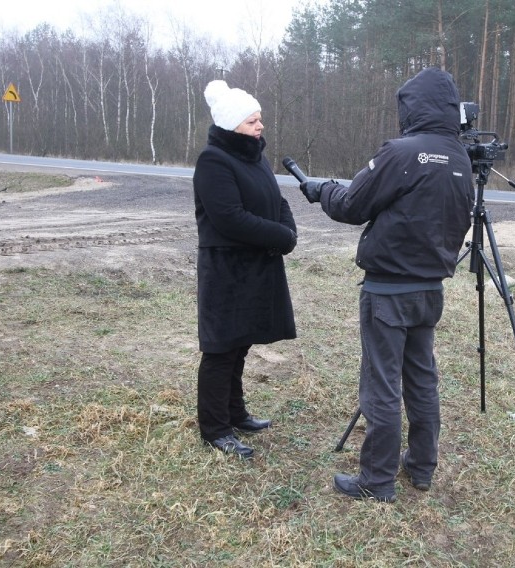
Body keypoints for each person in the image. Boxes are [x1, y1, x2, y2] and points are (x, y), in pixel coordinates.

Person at [298, 67, 474, 501]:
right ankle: (420, 468)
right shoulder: (461, 158)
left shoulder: (401, 152)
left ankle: (376, 481)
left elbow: (353, 205)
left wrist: (323, 191)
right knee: (421, 380)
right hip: (429, 290)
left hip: (388, 292)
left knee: (380, 385)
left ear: (411, 107)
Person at [192, 79, 298, 458]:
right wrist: (281, 237)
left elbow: (277, 200)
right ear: (232, 124)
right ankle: (215, 429)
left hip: (256, 267)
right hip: (226, 271)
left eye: (259, 119)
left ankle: (236, 414)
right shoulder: (213, 161)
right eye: (253, 121)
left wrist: (288, 228)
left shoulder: (256, 158)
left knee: (241, 345)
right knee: (221, 349)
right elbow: (229, 218)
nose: (260, 126)